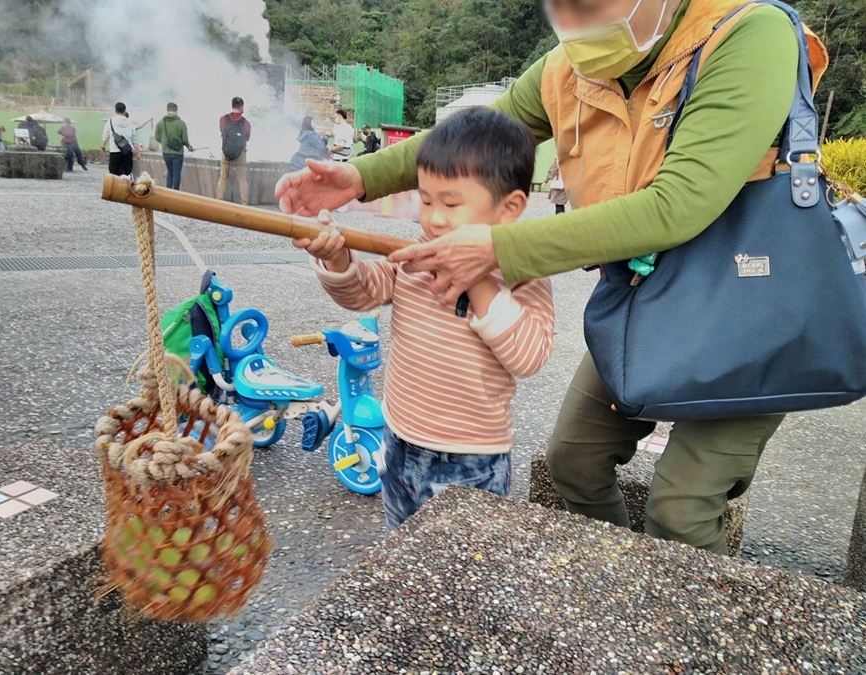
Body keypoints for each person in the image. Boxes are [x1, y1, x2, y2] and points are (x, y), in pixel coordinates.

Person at [275, 0, 829, 555]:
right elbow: (471, 141)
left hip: (745, 310)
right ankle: (620, 582)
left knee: (681, 508)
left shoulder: (748, 31)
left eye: (589, 6)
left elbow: (678, 205)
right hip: (643, 301)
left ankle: (682, 622)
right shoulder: (570, 66)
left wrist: (495, 253)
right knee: (574, 461)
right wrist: (356, 176)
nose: (572, 21)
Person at [294, 108, 555, 530]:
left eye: (451, 204)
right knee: (400, 555)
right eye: (426, 200)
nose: (433, 218)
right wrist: (337, 258)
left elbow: (528, 357)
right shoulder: (418, 251)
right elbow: (363, 291)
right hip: (398, 441)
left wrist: (479, 282)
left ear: (510, 208)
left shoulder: (522, 271)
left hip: (471, 460)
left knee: (461, 573)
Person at [217, 96, 252, 205]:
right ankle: (244, 202)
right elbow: (247, 138)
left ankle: (219, 200)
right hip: (240, 153)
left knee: (223, 178)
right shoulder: (246, 123)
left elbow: (222, 132)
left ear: (232, 105)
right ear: (241, 107)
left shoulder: (223, 119)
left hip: (226, 153)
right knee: (242, 179)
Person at [155, 102, 193, 190]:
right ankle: (175, 193)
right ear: (176, 111)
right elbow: (184, 139)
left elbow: (157, 137)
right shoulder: (181, 123)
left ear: (167, 110)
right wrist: (188, 146)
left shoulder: (160, 123)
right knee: (176, 174)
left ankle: (168, 192)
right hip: (177, 153)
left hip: (165, 152)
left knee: (170, 172)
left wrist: (164, 143)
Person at [101, 102, 140, 176]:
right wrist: (138, 153)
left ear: (115, 110)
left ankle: (116, 188)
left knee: (114, 176)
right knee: (127, 175)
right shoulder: (130, 123)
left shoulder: (110, 122)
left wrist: (103, 147)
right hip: (127, 153)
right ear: (125, 111)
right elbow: (135, 139)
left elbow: (105, 136)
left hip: (115, 153)